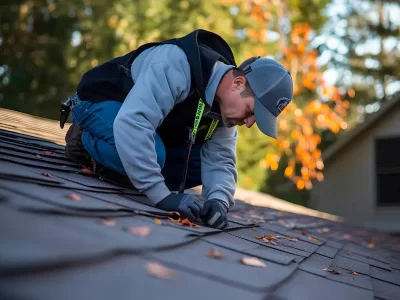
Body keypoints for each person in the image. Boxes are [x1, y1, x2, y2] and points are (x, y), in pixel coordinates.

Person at [62, 29, 293, 229]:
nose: (250, 122)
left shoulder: (223, 109)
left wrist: (218, 201)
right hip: (97, 103)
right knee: (154, 153)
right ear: (238, 83)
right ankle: (82, 141)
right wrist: (161, 197)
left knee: (194, 165)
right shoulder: (178, 64)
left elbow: (221, 160)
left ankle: (125, 169)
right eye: (251, 111)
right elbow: (133, 123)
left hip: (139, 126)